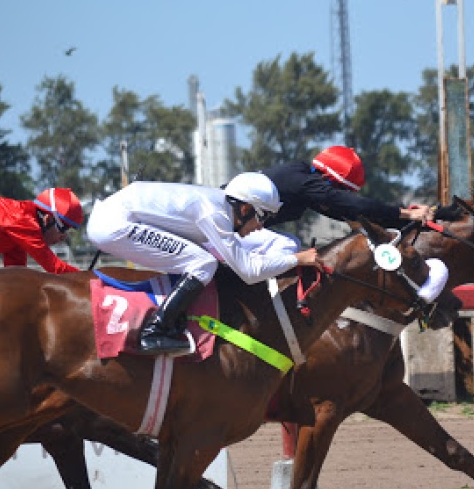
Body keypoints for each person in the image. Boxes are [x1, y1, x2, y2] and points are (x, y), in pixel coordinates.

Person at [86, 172, 320, 355]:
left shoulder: (220, 206)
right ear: (245, 208)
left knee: (199, 259)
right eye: (263, 217)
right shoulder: (215, 213)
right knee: (203, 263)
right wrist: (298, 258)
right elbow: (249, 272)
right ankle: (155, 330)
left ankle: (174, 319)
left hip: (114, 218)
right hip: (113, 224)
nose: (261, 226)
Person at [259, 145, 434, 229]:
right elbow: (356, 205)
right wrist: (408, 214)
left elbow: (352, 213)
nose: (341, 195)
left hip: (239, 231)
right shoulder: (303, 183)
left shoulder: (306, 183)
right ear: (327, 177)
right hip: (234, 232)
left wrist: (408, 216)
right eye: (340, 190)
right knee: (289, 246)